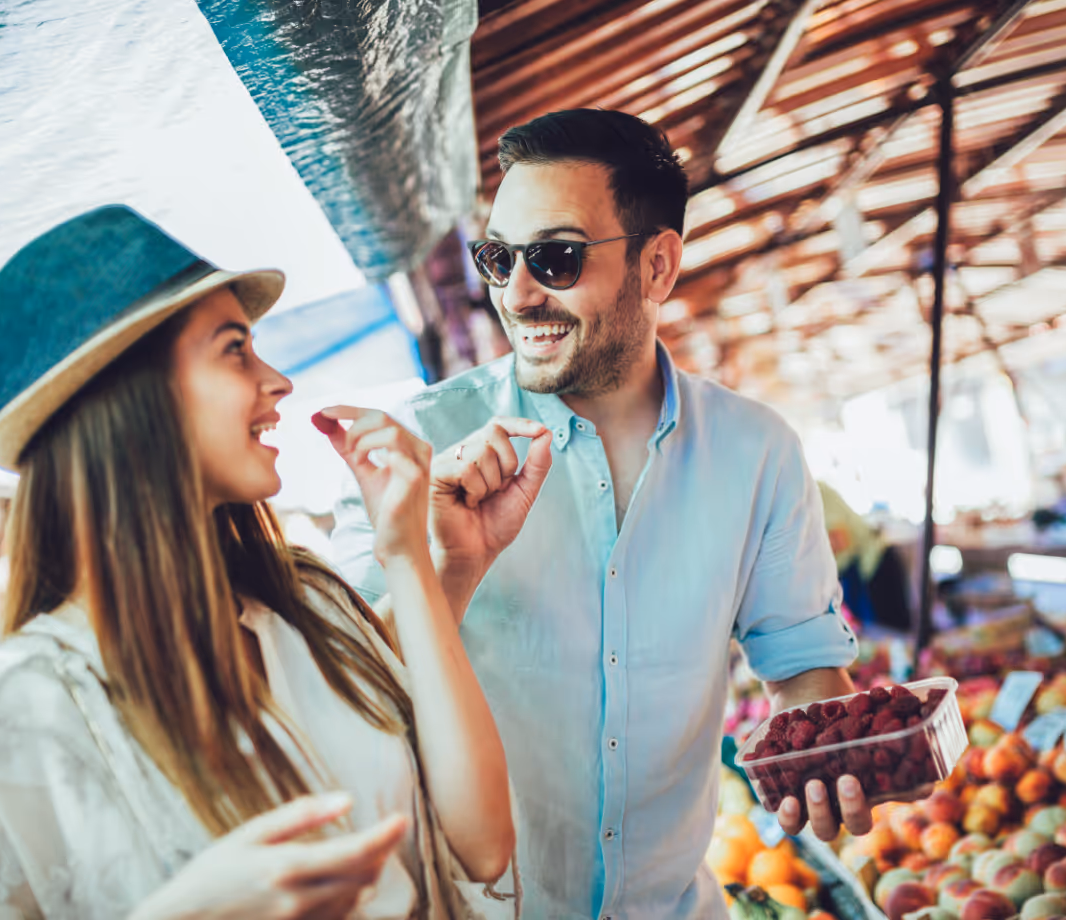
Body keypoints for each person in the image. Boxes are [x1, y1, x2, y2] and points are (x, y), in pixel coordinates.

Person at [330, 110, 872, 920]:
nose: (516, 292)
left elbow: (803, 673)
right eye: (497, 258)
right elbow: (341, 695)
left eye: (555, 256)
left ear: (658, 265)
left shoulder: (757, 452)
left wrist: (827, 754)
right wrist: (446, 569)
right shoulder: (416, 448)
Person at [0, 205, 523, 919]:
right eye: (235, 349)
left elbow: (483, 848)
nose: (278, 382)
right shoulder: (5, 715)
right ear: (127, 399)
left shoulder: (310, 605)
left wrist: (410, 553)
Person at [819, 481, 912, 632]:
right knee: (860, 634)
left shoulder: (813, 491)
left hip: (874, 563)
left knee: (891, 635)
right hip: (852, 572)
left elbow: (840, 539)